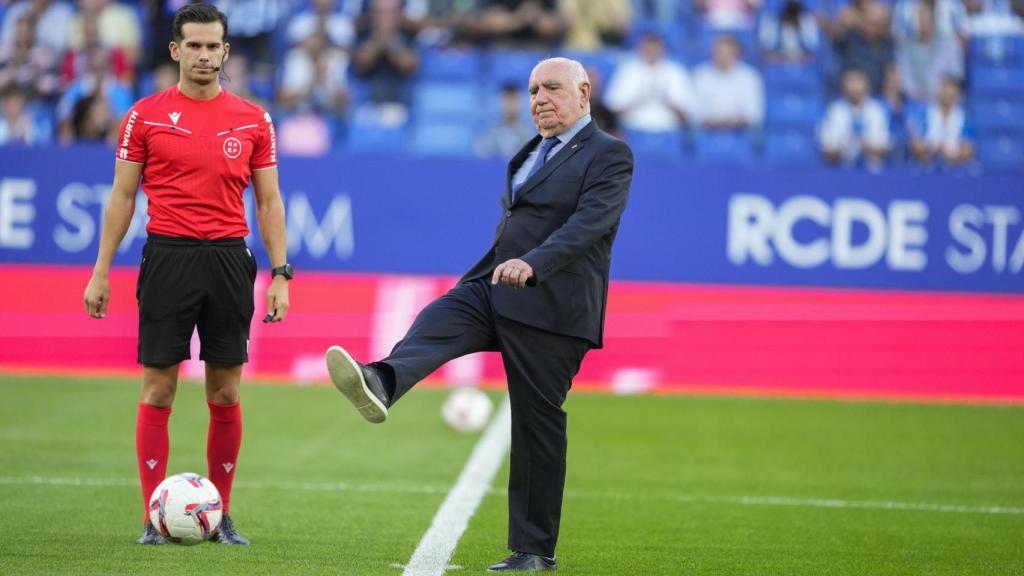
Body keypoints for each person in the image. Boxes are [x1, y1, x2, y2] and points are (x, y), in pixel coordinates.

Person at [325, 57, 633, 572]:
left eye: (552, 88)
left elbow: (591, 224)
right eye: (534, 90)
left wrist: (533, 264)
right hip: (497, 287)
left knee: (537, 427)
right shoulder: (530, 150)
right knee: (443, 312)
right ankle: (382, 380)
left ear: (583, 92)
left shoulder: (609, 153)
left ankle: (534, 551)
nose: (539, 99)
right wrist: (493, 270)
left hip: (553, 307)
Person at [82, 3, 291, 546]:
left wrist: (281, 273)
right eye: (193, 45)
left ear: (226, 50)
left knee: (224, 393)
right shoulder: (145, 115)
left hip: (227, 259)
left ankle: (222, 518)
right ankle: (153, 519)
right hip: (168, 257)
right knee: (158, 389)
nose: (204, 55)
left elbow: (269, 203)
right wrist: (100, 270)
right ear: (175, 50)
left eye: (213, 45)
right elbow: (123, 197)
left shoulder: (252, 117)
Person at [819, 68, 891, 169]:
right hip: (841, 171)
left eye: (859, 80)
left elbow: (884, 149)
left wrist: (862, 145)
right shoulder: (834, 110)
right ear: (843, 85)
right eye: (851, 81)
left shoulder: (877, 110)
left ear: (867, 85)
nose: (855, 86)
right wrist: (847, 146)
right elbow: (827, 150)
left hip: (872, 173)